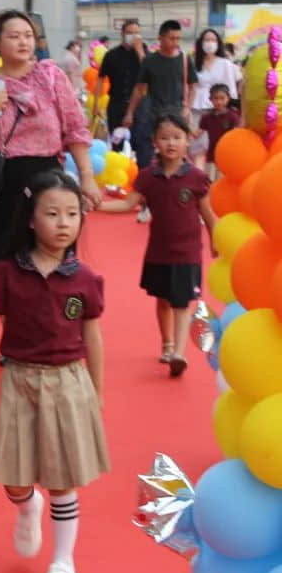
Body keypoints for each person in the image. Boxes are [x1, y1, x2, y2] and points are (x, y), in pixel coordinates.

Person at [0, 170, 109, 573]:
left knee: (61, 478)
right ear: (31, 219)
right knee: (15, 481)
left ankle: (62, 561)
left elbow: (92, 337)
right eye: (52, 213)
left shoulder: (85, 280)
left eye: (72, 214)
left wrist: (97, 391)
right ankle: (27, 506)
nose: (64, 222)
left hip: (67, 381)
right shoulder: (4, 274)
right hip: (19, 381)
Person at [0, 9, 99, 284]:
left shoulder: (51, 77)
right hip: (1, 190)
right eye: (14, 36)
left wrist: (87, 178)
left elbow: (75, 129)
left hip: (49, 188)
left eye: (28, 36)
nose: (23, 42)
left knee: (50, 273)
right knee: (0, 277)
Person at [99, 112, 217, 377]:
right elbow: (129, 204)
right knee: (163, 300)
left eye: (177, 137)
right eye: (165, 138)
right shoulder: (148, 177)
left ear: (188, 141)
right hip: (159, 252)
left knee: (182, 302)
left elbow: (208, 215)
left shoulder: (197, 178)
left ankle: (180, 353)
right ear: (155, 142)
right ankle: (167, 344)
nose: (171, 143)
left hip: (188, 253)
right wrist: (101, 205)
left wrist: (214, 242)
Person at [122, 20, 198, 223]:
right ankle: (148, 205)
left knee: (180, 162)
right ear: (161, 38)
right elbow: (139, 89)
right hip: (154, 117)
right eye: (171, 38)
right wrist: (130, 113)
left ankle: (185, 206)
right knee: (151, 162)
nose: (175, 42)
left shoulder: (184, 59)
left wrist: (188, 107)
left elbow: (193, 85)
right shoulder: (150, 61)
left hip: (177, 118)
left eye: (178, 38)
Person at [94, 21, 149, 184]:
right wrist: (97, 103)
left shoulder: (143, 52)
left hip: (139, 105)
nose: (134, 35)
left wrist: (139, 51)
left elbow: (149, 72)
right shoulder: (111, 55)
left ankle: (142, 180)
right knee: (117, 143)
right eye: (130, 32)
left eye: (137, 32)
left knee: (141, 144)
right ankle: (117, 180)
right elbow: (100, 79)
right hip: (117, 104)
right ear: (122, 34)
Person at [189, 29, 241, 170]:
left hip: (219, 111)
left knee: (216, 147)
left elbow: (234, 84)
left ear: (218, 43)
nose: (210, 43)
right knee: (197, 149)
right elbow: (189, 86)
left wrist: (230, 106)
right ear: (201, 43)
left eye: (213, 40)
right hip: (197, 109)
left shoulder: (225, 63)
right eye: (207, 40)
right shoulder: (194, 62)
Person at [194, 83, 240, 179]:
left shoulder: (233, 117)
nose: (219, 102)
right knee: (209, 182)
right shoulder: (206, 118)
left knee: (222, 182)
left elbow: (236, 136)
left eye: (222, 98)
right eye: (216, 98)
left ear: (228, 98)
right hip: (211, 156)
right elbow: (197, 135)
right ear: (210, 99)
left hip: (226, 157)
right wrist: (186, 124)